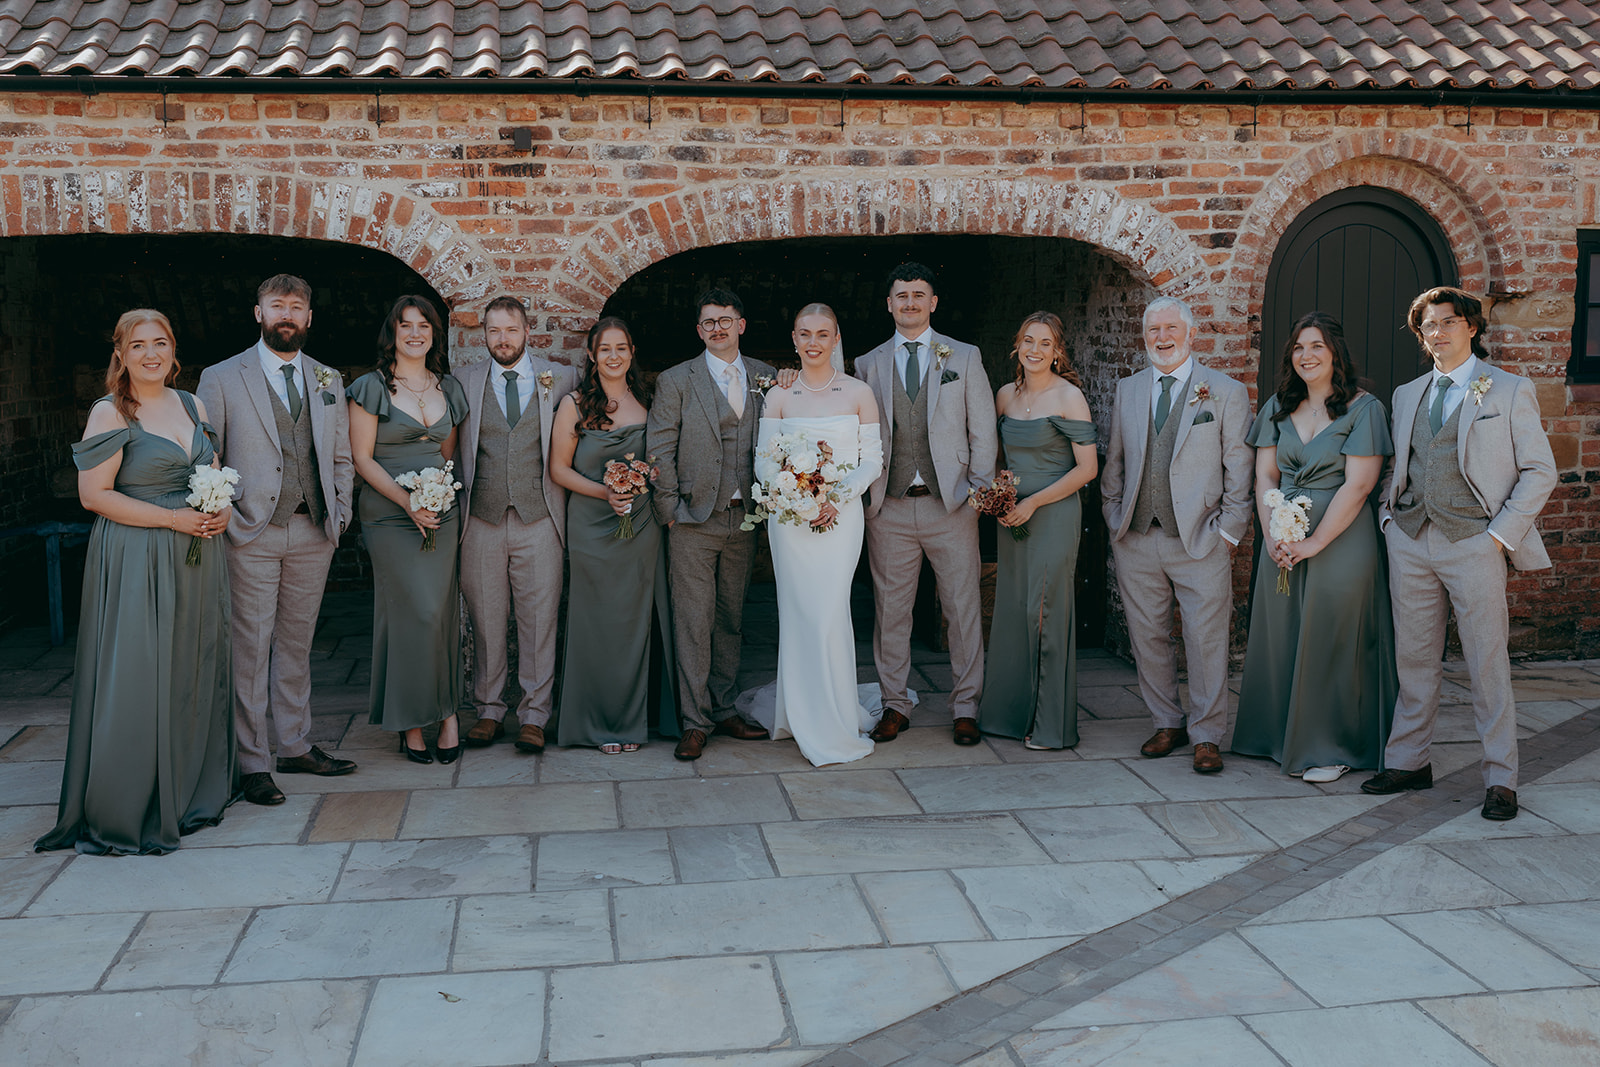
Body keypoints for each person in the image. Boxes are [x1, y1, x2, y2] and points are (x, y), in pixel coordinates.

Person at [37, 310, 235, 854]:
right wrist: (174, 519)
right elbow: (94, 496)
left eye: (161, 342)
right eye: (138, 344)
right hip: (137, 553)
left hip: (197, 552)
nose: (151, 353)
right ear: (120, 354)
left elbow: (213, 470)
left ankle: (188, 790)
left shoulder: (192, 403)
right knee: (139, 671)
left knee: (192, 665)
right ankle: (130, 803)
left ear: (174, 350)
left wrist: (221, 510)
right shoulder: (110, 412)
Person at [1362, 287, 1557, 821]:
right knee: (1414, 657)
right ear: (1421, 336)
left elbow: (1541, 471)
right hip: (1409, 538)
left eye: (1449, 322)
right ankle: (1408, 761)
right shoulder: (1406, 395)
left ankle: (1501, 779)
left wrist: (1499, 535)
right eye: (1429, 325)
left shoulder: (1510, 390)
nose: (1439, 332)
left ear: (1471, 327)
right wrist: (1388, 517)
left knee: (1487, 662)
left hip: (1475, 541)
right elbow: (1396, 464)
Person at [196, 274, 357, 808]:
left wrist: (340, 510)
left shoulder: (330, 378)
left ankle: (293, 743)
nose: (286, 314)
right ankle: (252, 761)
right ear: (258, 313)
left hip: (314, 529)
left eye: (296, 306)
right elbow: (205, 456)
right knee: (250, 646)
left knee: (296, 642)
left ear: (309, 317)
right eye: (276, 305)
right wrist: (224, 512)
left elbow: (340, 454)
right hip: (251, 530)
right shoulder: (222, 377)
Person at [1233, 312, 1397, 781]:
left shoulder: (1366, 409)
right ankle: (1276, 735)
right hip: (1281, 536)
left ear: (1336, 354)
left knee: (1333, 637)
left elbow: (1359, 485)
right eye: (1299, 348)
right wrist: (1273, 536)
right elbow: (1266, 474)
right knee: (1281, 634)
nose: (1307, 356)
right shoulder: (1278, 407)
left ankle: (1333, 746)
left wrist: (1315, 542)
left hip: (1341, 540)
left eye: (1317, 347)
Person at [1102, 296, 1253, 774]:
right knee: (1147, 636)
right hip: (1137, 537)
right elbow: (1116, 463)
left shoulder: (1224, 391)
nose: (1162, 338)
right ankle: (1167, 722)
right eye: (1153, 331)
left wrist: (1228, 532)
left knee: (1206, 638)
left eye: (1170, 329)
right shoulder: (1129, 389)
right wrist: (1113, 517)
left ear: (1191, 334)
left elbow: (1239, 469)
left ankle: (1206, 735)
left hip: (1200, 538)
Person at [856, 262, 999, 746]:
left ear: (933, 303)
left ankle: (965, 706)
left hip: (952, 505)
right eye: (902, 295)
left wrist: (977, 495)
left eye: (919, 295)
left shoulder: (964, 355)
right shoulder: (868, 363)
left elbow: (983, 429)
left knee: (962, 608)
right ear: (889, 303)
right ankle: (895, 704)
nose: (911, 303)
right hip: (889, 507)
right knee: (891, 611)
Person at [742, 303, 884, 766]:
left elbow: (872, 460)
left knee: (829, 613)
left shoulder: (859, 392)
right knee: (800, 614)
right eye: (805, 334)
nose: (814, 342)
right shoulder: (780, 396)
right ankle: (798, 713)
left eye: (823, 334)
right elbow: (763, 460)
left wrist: (832, 496)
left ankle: (836, 716)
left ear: (836, 337)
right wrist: (794, 495)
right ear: (794, 338)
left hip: (840, 520)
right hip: (791, 522)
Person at [646, 287, 775, 760]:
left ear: (741, 324)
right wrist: (670, 512)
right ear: (699, 330)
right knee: (693, 621)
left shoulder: (767, 376)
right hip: (693, 521)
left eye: (725, 320)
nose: (717, 328)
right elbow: (659, 447)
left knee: (731, 618)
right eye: (708, 322)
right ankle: (694, 720)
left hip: (746, 518)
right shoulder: (677, 379)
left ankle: (723, 708)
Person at [347, 295, 469, 764]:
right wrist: (408, 502)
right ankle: (413, 723)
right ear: (392, 334)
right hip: (390, 515)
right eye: (406, 326)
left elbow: (446, 454)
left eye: (424, 325)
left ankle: (449, 714)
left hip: (440, 511)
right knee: (411, 613)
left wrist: (436, 497)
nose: (415, 333)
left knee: (440, 613)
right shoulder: (370, 387)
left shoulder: (449, 389)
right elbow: (362, 458)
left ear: (434, 333)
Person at [550, 317, 680, 751]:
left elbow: (663, 454)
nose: (613, 356)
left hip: (640, 526)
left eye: (621, 347)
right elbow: (558, 469)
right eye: (605, 349)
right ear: (591, 355)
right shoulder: (574, 404)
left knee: (635, 623)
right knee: (597, 622)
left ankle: (630, 722)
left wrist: (652, 476)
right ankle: (595, 723)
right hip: (592, 525)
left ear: (631, 352)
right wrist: (604, 492)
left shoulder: (650, 398)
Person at [455, 296, 577, 755]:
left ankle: (534, 715)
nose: (502, 339)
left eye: (510, 330)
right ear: (483, 335)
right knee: (486, 621)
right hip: (481, 518)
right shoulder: (464, 381)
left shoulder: (562, 377)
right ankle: (488, 710)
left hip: (540, 517)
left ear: (529, 332)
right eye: (493, 331)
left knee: (539, 620)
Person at [978, 312, 1099, 750]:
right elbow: (994, 456)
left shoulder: (1070, 397)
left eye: (1045, 343)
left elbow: (1088, 469)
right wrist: (1002, 495)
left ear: (1057, 351)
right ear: (1017, 345)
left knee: (1044, 612)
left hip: (1052, 515)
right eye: (1028, 340)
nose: (1035, 349)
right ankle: (1009, 715)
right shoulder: (1005, 395)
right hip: (1012, 518)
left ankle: (1051, 725)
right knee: (1012, 609)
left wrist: (1032, 501)